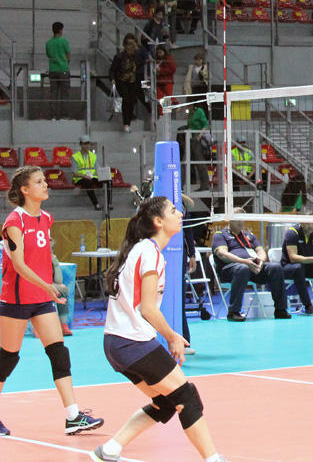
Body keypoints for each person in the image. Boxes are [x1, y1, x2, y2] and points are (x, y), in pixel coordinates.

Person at [90, 196, 230, 462]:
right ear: (158, 222)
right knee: (187, 397)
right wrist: (173, 337)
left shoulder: (141, 250)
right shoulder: (149, 252)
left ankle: (109, 450)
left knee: (166, 402)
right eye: (174, 211)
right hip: (132, 343)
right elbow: (148, 309)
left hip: (117, 344)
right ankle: (213, 459)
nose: (180, 214)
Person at [0, 166, 104, 437]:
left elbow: (43, 259)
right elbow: (20, 265)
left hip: (41, 298)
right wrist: (48, 286)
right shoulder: (14, 222)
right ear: (24, 190)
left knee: (59, 352)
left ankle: (73, 417)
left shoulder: (46, 218)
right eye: (38, 182)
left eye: (44, 181)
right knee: (6, 359)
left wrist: (48, 287)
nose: (45, 185)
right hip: (16, 299)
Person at [210, 209, 291, 322]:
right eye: (237, 219)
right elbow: (222, 254)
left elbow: (261, 251)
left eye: (242, 219)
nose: (240, 222)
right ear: (229, 220)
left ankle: (280, 310)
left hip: (253, 268)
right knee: (242, 268)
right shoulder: (220, 235)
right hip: (231, 270)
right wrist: (244, 262)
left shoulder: (249, 236)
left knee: (275, 268)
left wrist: (260, 261)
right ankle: (233, 311)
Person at [45, 21, 71, 120]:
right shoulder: (64, 41)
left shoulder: (49, 43)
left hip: (52, 70)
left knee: (53, 93)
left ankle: (53, 115)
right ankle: (64, 115)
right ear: (60, 30)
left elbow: (48, 55)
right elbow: (68, 55)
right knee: (65, 93)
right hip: (63, 69)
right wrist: (65, 63)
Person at [72, 135, 103, 210]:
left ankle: (109, 204)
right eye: (85, 143)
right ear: (81, 144)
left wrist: (103, 175)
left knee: (108, 181)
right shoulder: (75, 156)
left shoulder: (93, 156)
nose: (87, 146)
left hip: (92, 177)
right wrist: (85, 176)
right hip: (80, 178)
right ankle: (96, 204)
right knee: (88, 182)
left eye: (88, 143)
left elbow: (98, 168)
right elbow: (75, 173)